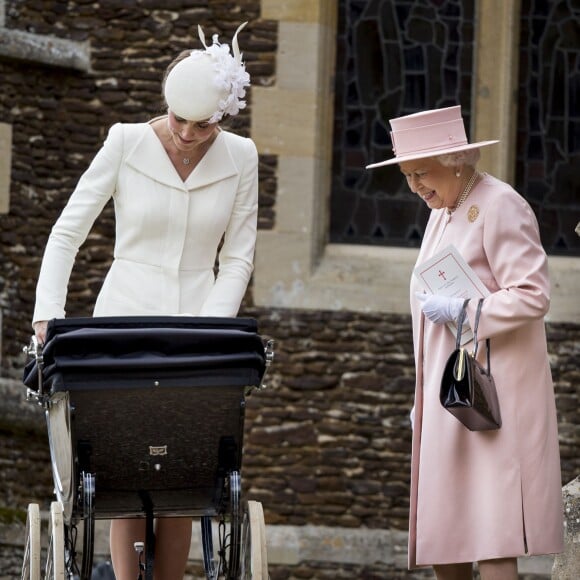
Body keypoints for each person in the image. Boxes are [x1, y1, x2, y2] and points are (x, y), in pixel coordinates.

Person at [31, 22, 258, 580]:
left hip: (201, 327)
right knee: (126, 462)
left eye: (200, 125)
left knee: (183, 463)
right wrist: (46, 315)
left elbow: (238, 258)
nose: (184, 133)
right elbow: (67, 234)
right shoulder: (125, 141)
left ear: (224, 114)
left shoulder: (243, 156)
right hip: (123, 317)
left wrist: (209, 334)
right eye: (177, 118)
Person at [367, 105, 563, 580]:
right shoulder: (443, 209)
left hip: (494, 391)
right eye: (407, 175)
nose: (415, 186)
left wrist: (465, 313)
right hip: (450, 388)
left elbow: (534, 295)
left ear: (456, 159)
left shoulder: (500, 204)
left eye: (422, 173)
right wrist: (422, 397)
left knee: (491, 532)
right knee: (447, 526)